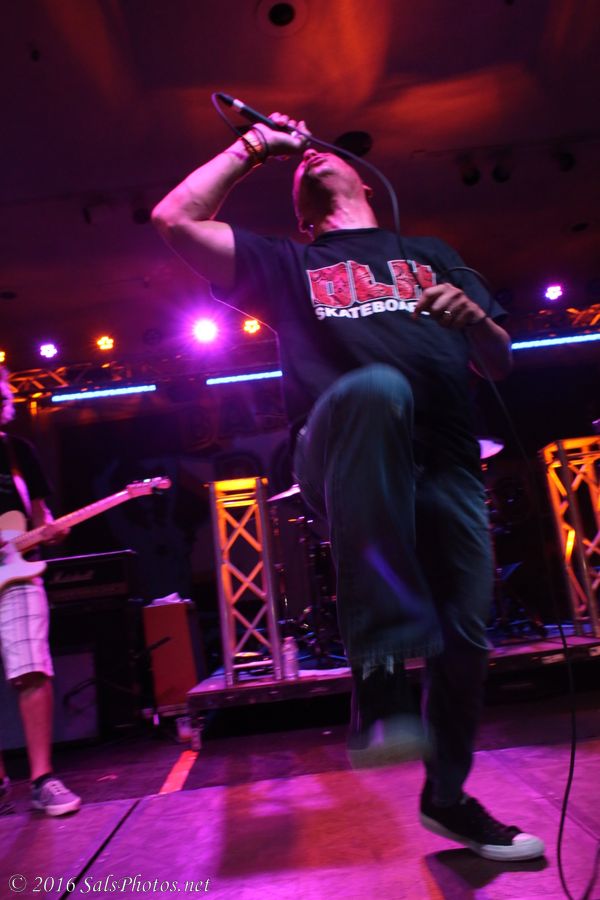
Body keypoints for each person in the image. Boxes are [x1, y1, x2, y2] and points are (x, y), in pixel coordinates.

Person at [152, 113, 545, 861]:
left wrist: (477, 323)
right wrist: (254, 148)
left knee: (466, 639)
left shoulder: (430, 254)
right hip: (335, 452)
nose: (311, 161)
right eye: (298, 171)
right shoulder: (288, 264)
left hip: (446, 463)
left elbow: (498, 362)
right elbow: (175, 219)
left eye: (321, 158)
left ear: (364, 182)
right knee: (376, 390)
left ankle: (448, 799)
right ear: (301, 217)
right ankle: (380, 672)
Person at [0, 366, 81, 816]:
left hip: (19, 571)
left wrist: (50, 529)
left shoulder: (18, 452)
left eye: (4, 392)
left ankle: (42, 780)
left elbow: (39, 515)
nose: (5, 397)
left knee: (32, 668)